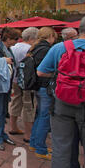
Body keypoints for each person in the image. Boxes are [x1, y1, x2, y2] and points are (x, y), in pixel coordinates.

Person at [37, 15, 85, 168]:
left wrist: (61, 76)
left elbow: (41, 72)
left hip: (61, 104)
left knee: (61, 148)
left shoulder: (58, 48)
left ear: (80, 30)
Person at [26, 27, 57, 160]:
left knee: (39, 115)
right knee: (44, 117)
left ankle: (34, 143)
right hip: (44, 86)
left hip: (36, 86)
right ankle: (40, 148)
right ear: (50, 36)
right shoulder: (46, 50)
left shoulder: (34, 48)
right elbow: (43, 70)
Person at [9, 27, 39, 142]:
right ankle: (28, 134)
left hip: (15, 79)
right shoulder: (31, 49)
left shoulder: (13, 47)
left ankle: (13, 127)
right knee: (28, 106)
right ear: (32, 38)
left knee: (15, 101)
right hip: (27, 82)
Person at [60, 27, 83, 168]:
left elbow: (41, 71)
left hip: (66, 96)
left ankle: (73, 167)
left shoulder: (57, 48)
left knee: (72, 133)